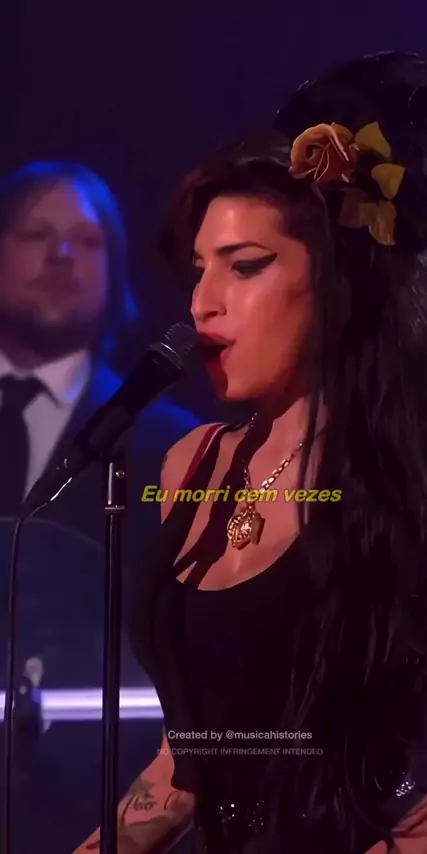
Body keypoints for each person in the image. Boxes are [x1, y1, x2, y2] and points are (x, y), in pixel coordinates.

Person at [74, 52, 427, 854]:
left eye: (246, 267)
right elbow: (190, 762)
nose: (202, 304)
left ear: (335, 284)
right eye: (198, 271)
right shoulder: (191, 467)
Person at [0, 161, 201, 853]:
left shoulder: (175, 447)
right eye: (37, 234)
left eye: (86, 241)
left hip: (98, 807)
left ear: (115, 272)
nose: (61, 254)